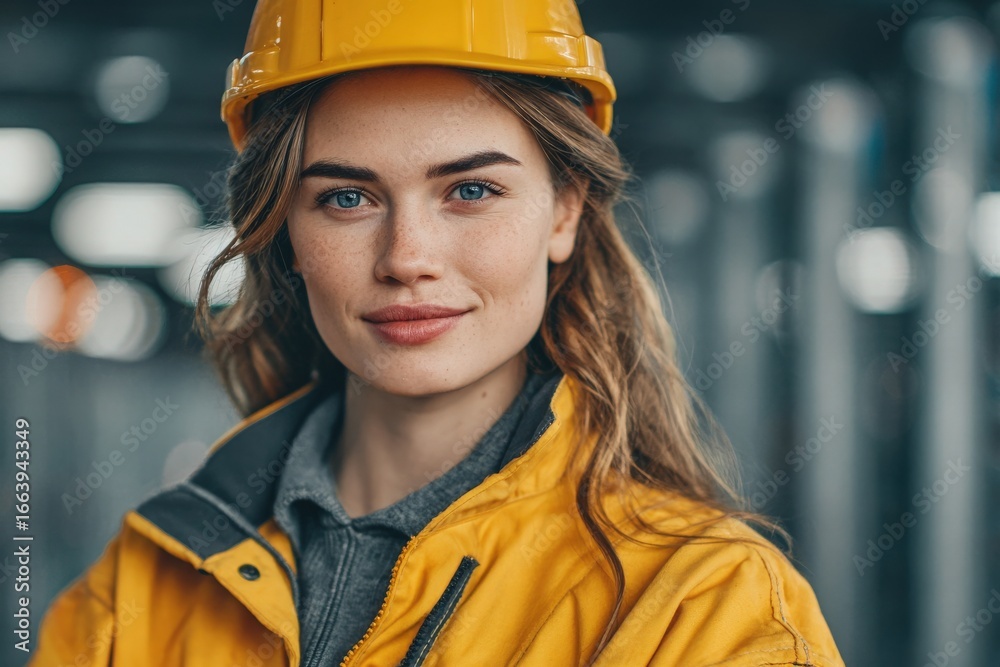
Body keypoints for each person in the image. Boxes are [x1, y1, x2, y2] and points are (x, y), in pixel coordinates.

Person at [30, 1, 846, 665]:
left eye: (471, 190)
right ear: (285, 230)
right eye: (347, 199)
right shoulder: (140, 589)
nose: (406, 259)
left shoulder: (707, 610)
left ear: (563, 209)